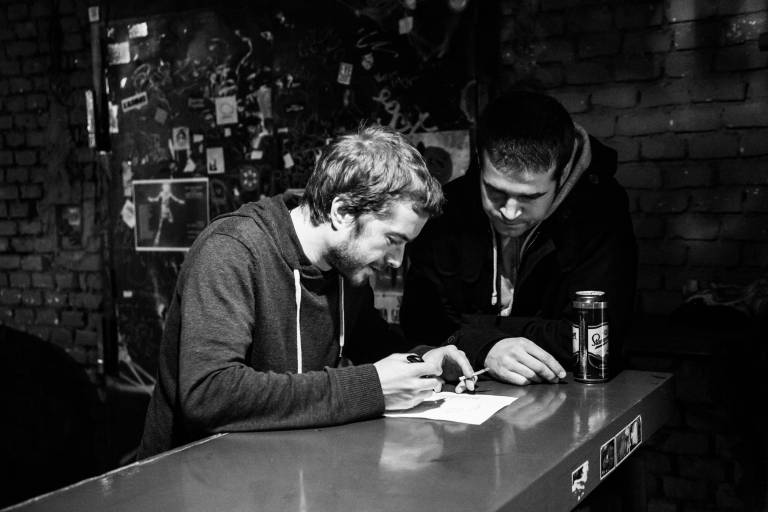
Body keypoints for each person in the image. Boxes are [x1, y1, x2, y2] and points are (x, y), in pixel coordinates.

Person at [138, 125, 477, 459]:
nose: (396, 261)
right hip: (193, 477)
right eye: (392, 240)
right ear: (342, 212)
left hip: (283, 470)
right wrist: (371, 387)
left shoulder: (347, 269)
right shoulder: (231, 251)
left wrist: (425, 360)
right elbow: (209, 394)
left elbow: (376, 345)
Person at [401, 90, 637, 386]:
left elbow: (594, 343)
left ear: (563, 173)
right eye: (495, 191)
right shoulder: (447, 210)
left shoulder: (600, 212)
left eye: (530, 197)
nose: (509, 212)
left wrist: (473, 332)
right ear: (480, 160)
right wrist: (485, 347)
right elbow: (418, 326)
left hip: (568, 394)